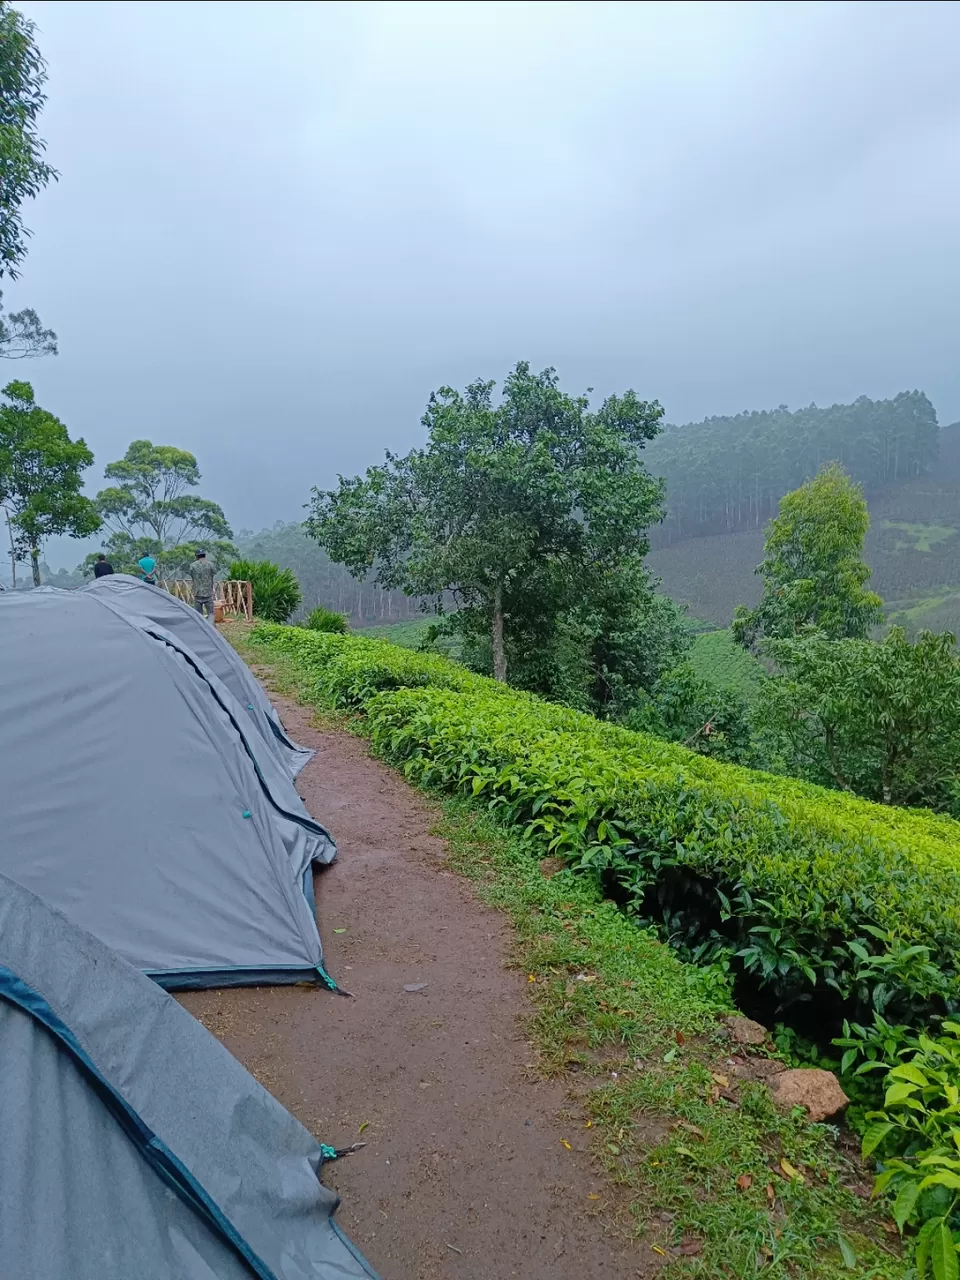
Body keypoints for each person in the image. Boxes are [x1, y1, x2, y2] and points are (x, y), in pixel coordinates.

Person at [189, 549, 215, 618]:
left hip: (197, 593)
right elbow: (213, 573)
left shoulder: (192, 566)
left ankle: (200, 627)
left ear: (196, 556)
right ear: (204, 555)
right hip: (208, 592)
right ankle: (211, 626)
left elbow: (191, 575)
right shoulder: (211, 565)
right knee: (211, 613)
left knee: (198, 615)